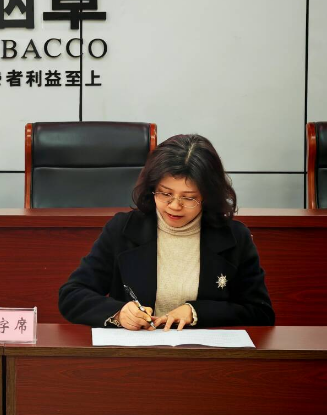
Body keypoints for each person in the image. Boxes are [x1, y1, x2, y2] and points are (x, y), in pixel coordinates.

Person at [58, 134, 274, 331]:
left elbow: (260, 313)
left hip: (204, 356)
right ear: (152, 188)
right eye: (165, 194)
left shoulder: (234, 237)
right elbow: (72, 295)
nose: (175, 206)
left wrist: (197, 313)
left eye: (189, 197)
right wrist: (118, 314)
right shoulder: (123, 229)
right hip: (136, 355)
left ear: (207, 196)